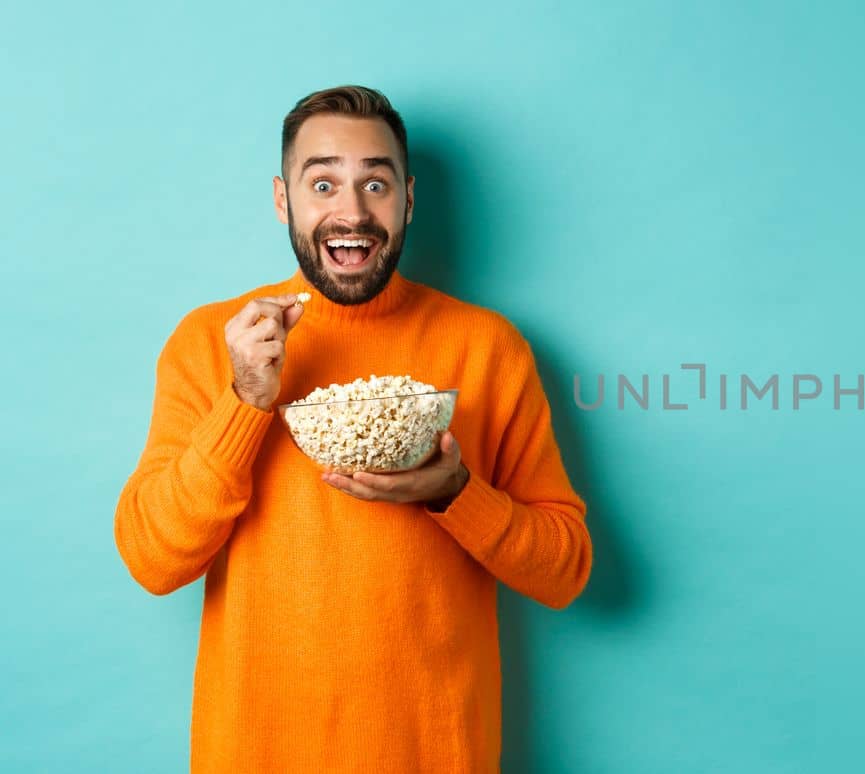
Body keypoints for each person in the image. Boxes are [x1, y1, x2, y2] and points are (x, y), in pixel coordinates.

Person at [113, 84, 592, 773]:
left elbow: (566, 570)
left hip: (436, 751)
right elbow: (153, 561)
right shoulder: (211, 344)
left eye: (376, 182)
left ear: (408, 200)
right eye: (323, 182)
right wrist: (246, 402)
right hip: (255, 752)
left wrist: (455, 492)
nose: (352, 211)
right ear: (284, 200)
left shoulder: (486, 348)